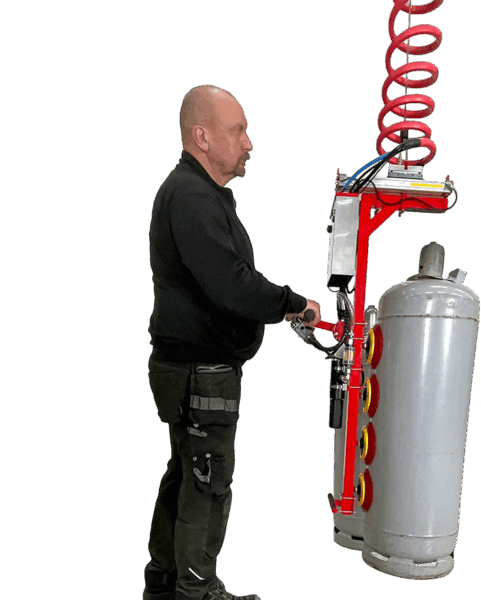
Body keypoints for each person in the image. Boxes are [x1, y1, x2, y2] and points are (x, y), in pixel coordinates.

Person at [143, 84, 321, 600]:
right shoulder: (192, 196)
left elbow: (227, 279)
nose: (249, 143)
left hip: (189, 367)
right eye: (238, 130)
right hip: (201, 371)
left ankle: (164, 586)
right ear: (202, 137)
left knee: (186, 475)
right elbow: (231, 284)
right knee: (207, 481)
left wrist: (279, 305)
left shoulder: (197, 193)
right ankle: (196, 593)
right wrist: (292, 302)